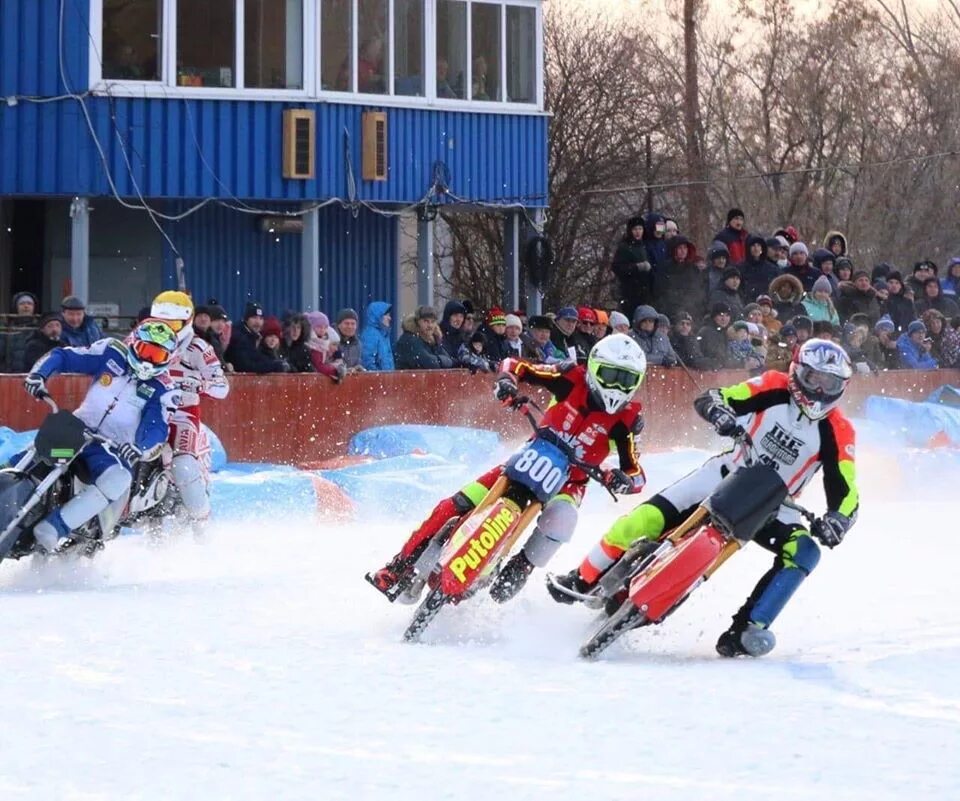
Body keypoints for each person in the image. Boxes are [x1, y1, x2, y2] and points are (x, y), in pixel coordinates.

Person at [550, 338, 858, 658]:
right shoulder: (772, 386)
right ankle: (581, 579)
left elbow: (846, 489)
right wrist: (719, 411)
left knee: (806, 552)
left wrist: (838, 520)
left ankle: (749, 629)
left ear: (841, 388)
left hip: (777, 505)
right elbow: (720, 397)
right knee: (644, 520)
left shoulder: (840, 430)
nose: (819, 391)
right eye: (813, 380)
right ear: (797, 373)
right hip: (727, 473)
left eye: (830, 384)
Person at [366, 334, 649, 604]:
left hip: (570, 482)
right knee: (451, 506)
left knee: (564, 520)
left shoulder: (627, 421)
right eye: (612, 375)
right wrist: (506, 383)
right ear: (595, 368)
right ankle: (397, 568)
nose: (617, 386)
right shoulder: (569, 377)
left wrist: (622, 480)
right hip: (530, 457)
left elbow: (637, 474)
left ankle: (521, 567)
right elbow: (516, 365)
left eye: (627, 380)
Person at [23, 320, 179, 552]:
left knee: (119, 478)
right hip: (76, 429)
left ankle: (54, 527)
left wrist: (140, 447)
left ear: (168, 358)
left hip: (111, 448)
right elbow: (64, 355)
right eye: (146, 351)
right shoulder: (111, 351)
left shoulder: (164, 388)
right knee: (31, 455)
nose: (148, 360)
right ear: (135, 344)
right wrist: (39, 375)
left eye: (157, 355)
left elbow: (157, 426)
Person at [147, 291, 230, 526]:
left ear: (186, 322)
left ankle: (202, 522)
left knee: (183, 466)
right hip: (145, 411)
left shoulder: (198, 348)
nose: (167, 329)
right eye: (160, 323)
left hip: (181, 416)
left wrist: (200, 384)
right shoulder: (140, 340)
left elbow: (223, 387)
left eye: (172, 324)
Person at [225, 302, 289, 373]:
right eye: (254, 318)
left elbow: (256, 357)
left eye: (261, 318)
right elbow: (246, 366)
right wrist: (274, 366)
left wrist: (275, 363)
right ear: (246, 319)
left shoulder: (252, 335)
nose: (258, 322)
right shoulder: (239, 336)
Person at [611, 216, 653, 318]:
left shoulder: (645, 246)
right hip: (629, 292)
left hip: (644, 292)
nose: (638, 232)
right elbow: (617, 267)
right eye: (635, 229)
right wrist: (637, 267)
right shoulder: (625, 247)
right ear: (630, 230)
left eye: (640, 229)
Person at [360, 300, 395, 371]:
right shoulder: (371, 335)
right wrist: (378, 377)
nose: (389, 318)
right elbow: (368, 360)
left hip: (385, 379)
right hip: (378, 380)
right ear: (378, 315)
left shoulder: (383, 334)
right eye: (387, 315)